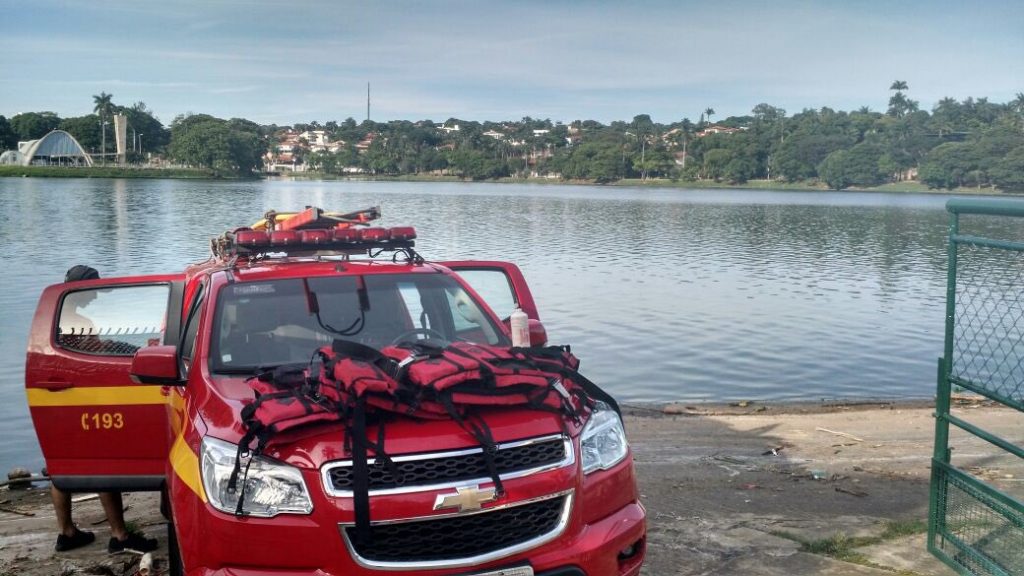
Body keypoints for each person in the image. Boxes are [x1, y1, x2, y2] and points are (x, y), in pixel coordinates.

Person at [52, 265, 158, 554]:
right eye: (94, 290)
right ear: (81, 288)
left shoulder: (57, 317)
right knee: (104, 460)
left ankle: (66, 532)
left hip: (58, 397)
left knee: (62, 463)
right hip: (83, 397)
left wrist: (118, 345)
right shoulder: (78, 320)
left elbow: (89, 348)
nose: (96, 296)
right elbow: (95, 356)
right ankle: (120, 536)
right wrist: (133, 352)